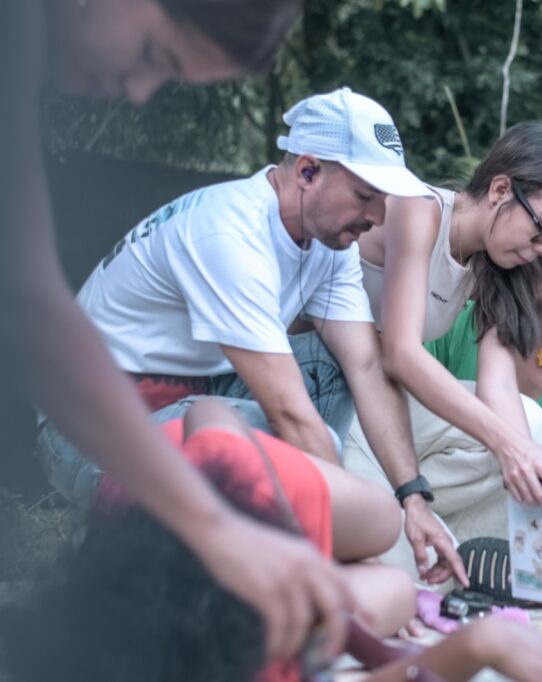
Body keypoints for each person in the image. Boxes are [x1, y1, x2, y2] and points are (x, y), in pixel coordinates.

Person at [2, 0, 358, 664]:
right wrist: (216, 526)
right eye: (152, 55)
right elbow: (28, 302)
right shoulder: (14, 32)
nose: (138, 92)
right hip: (103, 424)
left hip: (175, 399)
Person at [0, 399, 542, 682]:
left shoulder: (202, 612)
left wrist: (270, 526)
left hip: (229, 490)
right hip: (192, 515)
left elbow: (210, 414)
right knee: (393, 586)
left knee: (385, 524)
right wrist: (475, 643)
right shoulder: (245, 650)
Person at [345, 200, 542, 580]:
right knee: (528, 429)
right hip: (412, 477)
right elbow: (402, 407)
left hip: (522, 517)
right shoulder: (473, 316)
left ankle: (449, 563)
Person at [355, 121, 542, 510]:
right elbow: (401, 353)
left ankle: (432, 516)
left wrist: (527, 457)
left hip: (389, 399)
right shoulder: (420, 211)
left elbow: (498, 386)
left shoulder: (500, 265)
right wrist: (505, 443)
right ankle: (399, 503)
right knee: (385, 523)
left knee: (533, 429)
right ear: (500, 190)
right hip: (339, 389)